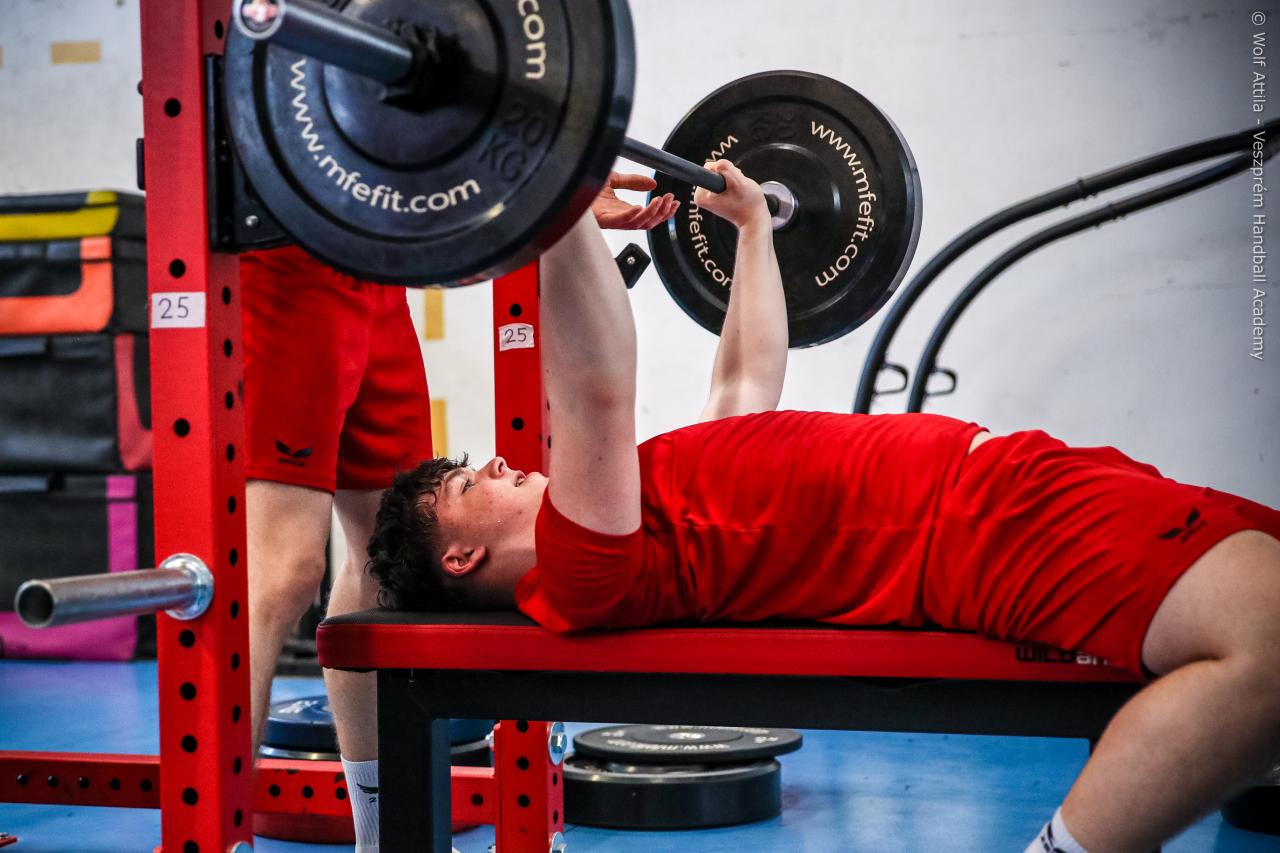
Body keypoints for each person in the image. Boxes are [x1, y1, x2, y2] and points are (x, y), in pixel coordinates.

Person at [368, 158, 1280, 853]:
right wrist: (555, 199)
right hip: (977, 530)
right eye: (467, 484)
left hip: (1006, 486)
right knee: (1268, 646)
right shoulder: (579, 568)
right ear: (461, 557)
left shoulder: (649, 509)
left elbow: (743, 379)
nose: (497, 462)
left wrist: (754, 232)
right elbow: (596, 387)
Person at [241, 172, 678, 853]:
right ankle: (210, 831)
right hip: (290, 247)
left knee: (388, 569)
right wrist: (554, 185)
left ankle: (379, 839)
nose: (497, 468)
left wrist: (560, 186)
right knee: (285, 572)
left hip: (374, 269)